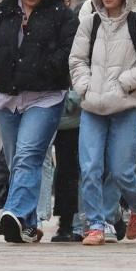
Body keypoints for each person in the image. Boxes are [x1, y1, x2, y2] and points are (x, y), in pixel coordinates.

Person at [0, 0, 77, 242]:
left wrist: (40, 71)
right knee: (15, 158)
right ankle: (26, 225)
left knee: (29, 155)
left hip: (45, 97)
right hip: (6, 97)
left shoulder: (61, 15)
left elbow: (68, 53)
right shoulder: (3, 11)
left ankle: (13, 211)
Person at [68, 0, 136, 246]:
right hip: (93, 106)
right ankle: (95, 224)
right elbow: (76, 60)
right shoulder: (89, 23)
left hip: (125, 107)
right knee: (91, 167)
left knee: (122, 170)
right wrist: (85, 86)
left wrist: (125, 81)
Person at [51, 90, 82, 242]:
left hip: (78, 117)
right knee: (66, 172)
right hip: (62, 119)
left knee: (71, 172)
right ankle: (67, 223)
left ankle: (71, 223)